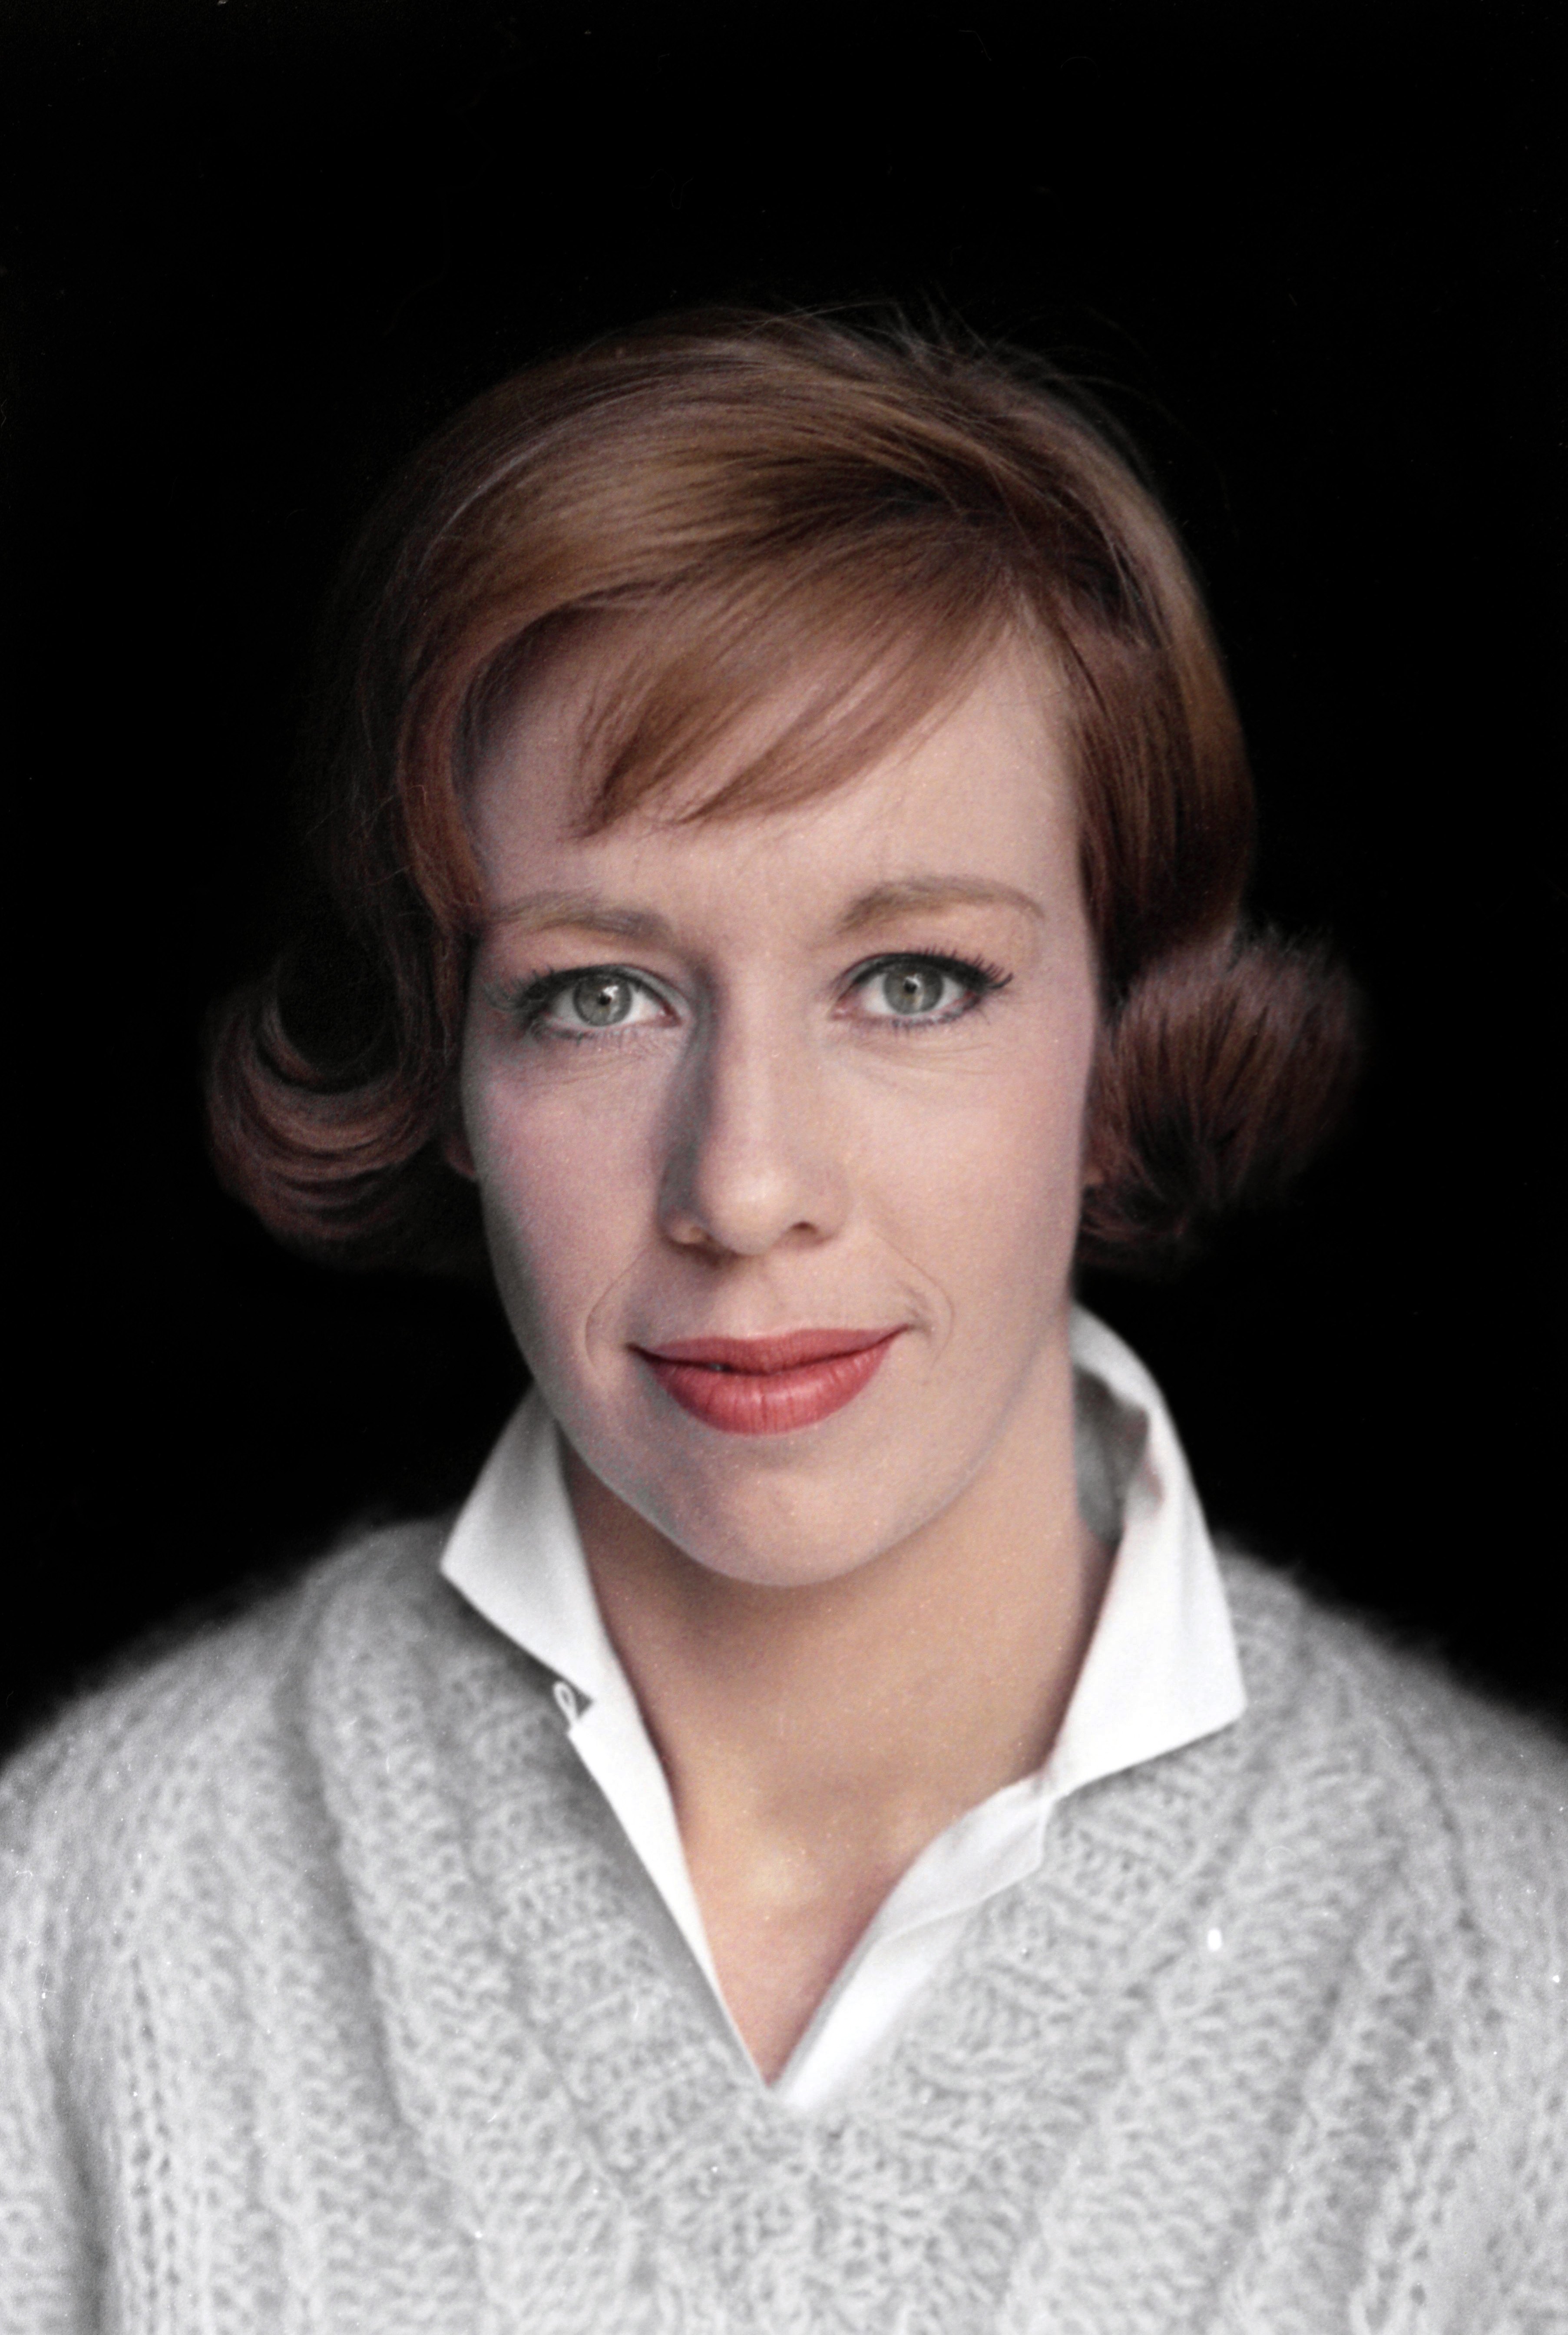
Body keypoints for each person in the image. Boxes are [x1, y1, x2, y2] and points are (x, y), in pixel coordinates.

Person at [3, 312, 1563, 2333]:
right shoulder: (74, 1932)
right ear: (452, 1069)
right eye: (598, 992)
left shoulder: (1520, 1986)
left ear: (1128, 1036)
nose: (742, 1187)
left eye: (912, 981)